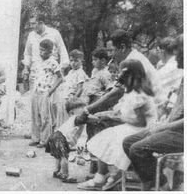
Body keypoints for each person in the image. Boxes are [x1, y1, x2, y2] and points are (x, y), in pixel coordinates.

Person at [77, 59, 158, 191]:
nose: (120, 76)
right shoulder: (131, 91)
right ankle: (100, 176)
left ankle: (115, 176)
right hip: (132, 126)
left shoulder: (140, 93)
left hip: (143, 129)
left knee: (116, 138)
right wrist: (103, 114)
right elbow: (122, 112)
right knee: (104, 137)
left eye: (123, 73)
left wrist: (112, 117)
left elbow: (141, 121)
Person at [122, 34, 184, 191]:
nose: (175, 59)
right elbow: (177, 108)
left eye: (179, 53)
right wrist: (164, 123)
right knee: (129, 142)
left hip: (182, 133)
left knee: (138, 149)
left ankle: (160, 187)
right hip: (174, 127)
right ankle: (159, 184)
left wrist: (162, 128)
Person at [22, 12, 69, 138]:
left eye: (34, 23)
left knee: (50, 106)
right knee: (35, 106)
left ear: (41, 22)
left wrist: (61, 69)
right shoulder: (31, 35)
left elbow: (63, 52)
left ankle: (50, 134)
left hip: (50, 74)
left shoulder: (54, 33)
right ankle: (36, 134)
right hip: (36, 74)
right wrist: (26, 68)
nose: (32, 26)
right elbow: (27, 54)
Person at [29, 39, 63, 148]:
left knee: (45, 117)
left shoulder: (53, 62)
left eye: (43, 50)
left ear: (49, 51)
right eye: (40, 50)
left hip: (46, 93)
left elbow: (60, 78)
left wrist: (50, 91)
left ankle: (45, 140)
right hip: (36, 91)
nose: (41, 52)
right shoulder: (38, 62)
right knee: (35, 115)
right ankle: (36, 138)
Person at [53, 50, 88, 130]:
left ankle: (66, 133)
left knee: (68, 119)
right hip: (65, 97)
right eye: (71, 61)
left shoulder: (80, 73)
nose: (73, 63)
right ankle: (61, 131)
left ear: (81, 61)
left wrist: (73, 100)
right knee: (62, 117)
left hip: (70, 99)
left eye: (76, 61)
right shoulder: (71, 72)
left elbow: (80, 88)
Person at [155, 37, 183, 119]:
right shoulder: (170, 64)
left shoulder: (173, 65)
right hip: (168, 106)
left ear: (162, 50)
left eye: (158, 51)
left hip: (167, 109)